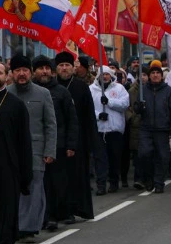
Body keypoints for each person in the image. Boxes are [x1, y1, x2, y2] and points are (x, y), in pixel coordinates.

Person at [7, 54, 56, 241]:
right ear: (12, 73)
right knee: (13, 189)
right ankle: (15, 225)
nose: (22, 74)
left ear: (30, 72)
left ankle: (28, 228)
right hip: (11, 151)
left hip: (36, 150)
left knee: (34, 189)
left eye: (25, 70)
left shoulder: (43, 94)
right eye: (18, 70)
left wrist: (50, 150)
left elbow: (50, 124)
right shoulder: (6, 94)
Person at [32, 56, 78, 232]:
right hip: (35, 146)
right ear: (34, 71)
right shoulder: (29, 92)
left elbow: (71, 120)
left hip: (58, 145)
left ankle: (56, 214)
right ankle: (43, 216)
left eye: (47, 68)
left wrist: (71, 145)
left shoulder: (61, 92)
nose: (44, 72)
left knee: (57, 183)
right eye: (40, 68)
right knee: (39, 184)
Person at [0, 60, 32, 244]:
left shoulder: (15, 104)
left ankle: (3, 242)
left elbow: (24, 139)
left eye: (0, 73)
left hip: (8, 163)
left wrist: (26, 170)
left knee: (6, 203)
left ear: (6, 76)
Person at [56, 51, 97, 221]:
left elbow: (89, 116)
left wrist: (92, 141)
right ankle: (63, 211)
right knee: (61, 177)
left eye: (67, 65)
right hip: (58, 139)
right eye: (61, 66)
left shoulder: (81, 87)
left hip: (79, 139)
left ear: (73, 68)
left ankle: (78, 208)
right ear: (56, 69)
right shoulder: (50, 87)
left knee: (77, 176)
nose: (64, 68)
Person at [136, 60, 171, 193]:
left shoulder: (168, 91)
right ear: (149, 76)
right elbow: (135, 107)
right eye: (152, 73)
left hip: (162, 128)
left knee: (162, 156)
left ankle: (159, 182)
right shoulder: (143, 90)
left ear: (161, 76)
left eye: (157, 73)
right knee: (144, 154)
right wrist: (139, 107)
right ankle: (148, 178)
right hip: (146, 128)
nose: (155, 75)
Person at [90, 66, 130, 195]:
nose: (105, 77)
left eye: (107, 74)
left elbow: (125, 104)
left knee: (114, 158)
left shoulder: (119, 88)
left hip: (114, 130)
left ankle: (113, 182)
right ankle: (101, 184)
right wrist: (98, 115)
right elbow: (88, 107)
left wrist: (109, 102)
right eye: (102, 75)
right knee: (100, 159)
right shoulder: (92, 89)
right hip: (99, 130)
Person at [126, 67, 149, 189]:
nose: (143, 77)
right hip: (137, 126)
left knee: (148, 153)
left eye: (145, 74)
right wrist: (132, 118)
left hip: (150, 125)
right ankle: (138, 179)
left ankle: (148, 178)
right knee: (138, 155)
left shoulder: (152, 89)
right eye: (141, 74)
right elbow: (127, 107)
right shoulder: (132, 91)